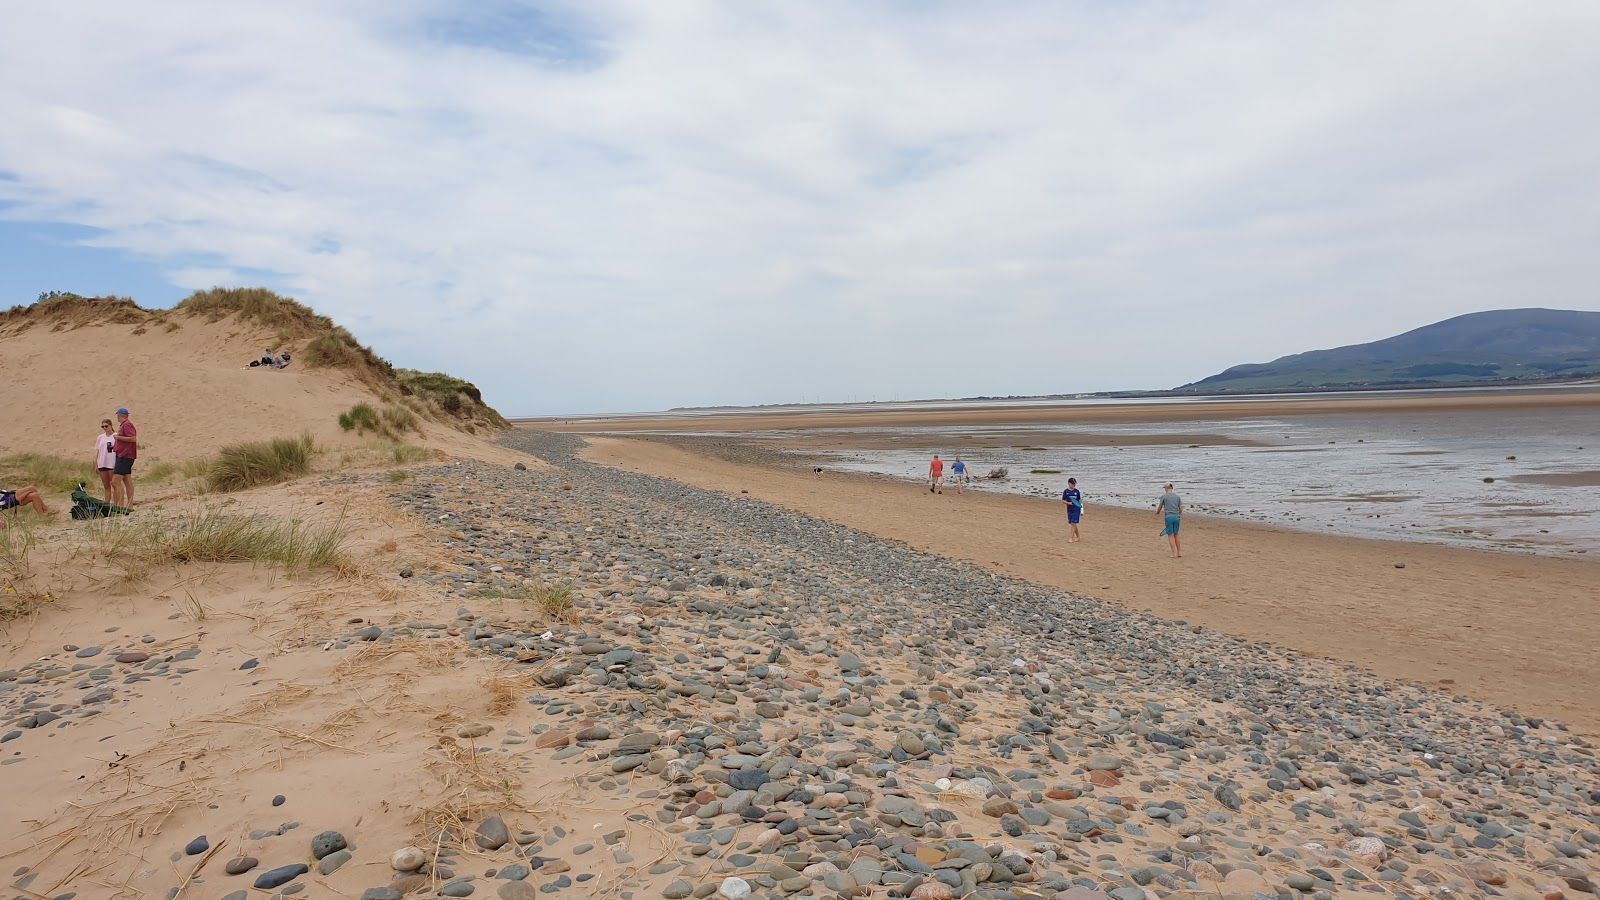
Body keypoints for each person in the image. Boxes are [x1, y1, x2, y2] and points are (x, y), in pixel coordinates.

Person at [111, 407, 138, 508]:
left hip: (125, 456)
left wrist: (118, 437)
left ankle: (121, 505)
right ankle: (129, 505)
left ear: (120, 415)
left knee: (115, 481)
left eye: (118, 416)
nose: (117, 418)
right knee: (127, 480)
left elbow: (133, 438)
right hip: (124, 455)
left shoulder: (127, 424)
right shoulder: (124, 425)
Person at [1157, 483, 1182, 558]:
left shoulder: (1164, 496)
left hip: (1169, 517)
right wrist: (1178, 514)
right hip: (1177, 517)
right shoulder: (1177, 497)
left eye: (1164, 488)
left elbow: (1160, 506)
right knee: (1176, 534)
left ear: (1166, 488)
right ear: (1172, 488)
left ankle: (1174, 553)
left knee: (1170, 535)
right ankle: (1179, 552)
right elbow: (1181, 509)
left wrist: (1157, 512)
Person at [94, 418, 118, 500]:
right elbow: (98, 451)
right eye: (103, 427)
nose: (104, 428)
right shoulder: (100, 437)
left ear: (110, 426)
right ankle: (107, 504)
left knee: (114, 484)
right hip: (102, 463)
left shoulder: (116, 436)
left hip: (112, 463)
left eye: (106, 426)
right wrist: (96, 464)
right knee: (106, 486)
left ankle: (116, 504)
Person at [1062, 477, 1083, 542]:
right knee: (1072, 523)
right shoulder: (1066, 491)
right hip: (1069, 509)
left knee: (1073, 523)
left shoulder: (1077, 491)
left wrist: (1082, 509)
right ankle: (1078, 537)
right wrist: (1068, 503)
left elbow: (1080, 500)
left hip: (1076, 509)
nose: (1074, 485)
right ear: (1069, 483)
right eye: (1073, 484)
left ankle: (1071, 538)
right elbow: (1063, 500)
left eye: (1075, 484)